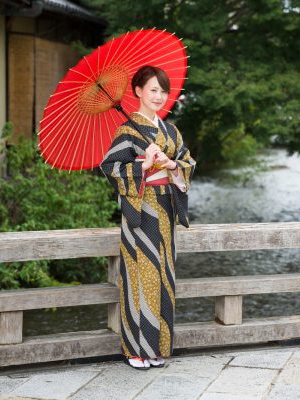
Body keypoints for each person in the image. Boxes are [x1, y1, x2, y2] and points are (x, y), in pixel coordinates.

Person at [100, 65, 196, 370]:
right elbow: (109, 167)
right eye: (153, 89)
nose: (159, 96)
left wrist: (170, 164)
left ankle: (158, 349)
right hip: (139, 213)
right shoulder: (127, 131)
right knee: (140, 279)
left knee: (163, 277)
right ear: (138, 91)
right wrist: (143, 166)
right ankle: (135, 350)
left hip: (165, 210)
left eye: (163, 91)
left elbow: (188, 161)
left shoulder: (170, 131)